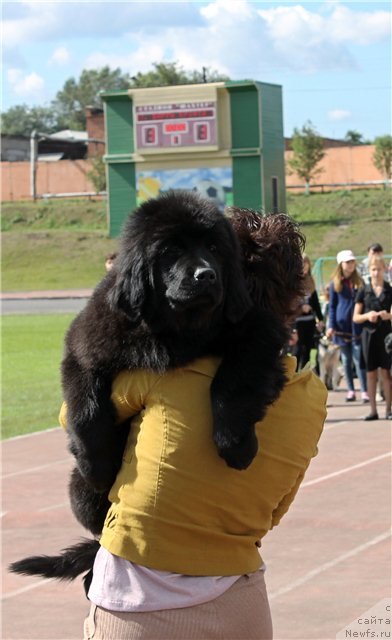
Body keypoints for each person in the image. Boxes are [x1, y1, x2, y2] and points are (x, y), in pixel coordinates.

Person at [72, 209, 327, 640]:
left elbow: (76, 419)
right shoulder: (312, 397)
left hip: (139, 605)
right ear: (293, 300)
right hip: (240, 602)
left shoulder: (161, 373)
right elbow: (275, 511)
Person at [326, 249, 368, 402]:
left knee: (359, 360)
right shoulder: (335, 283)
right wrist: (331, 326)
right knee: (346, 360)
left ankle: (364, 390)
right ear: (341, 264)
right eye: (347, 262)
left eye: (352, 261)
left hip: (356, 327)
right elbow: (332, 306)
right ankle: (351, 390)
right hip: (341, 328)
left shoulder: (360, 282)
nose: (351, 264)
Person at [353, 255, 392, 420]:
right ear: (369, 271)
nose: (376, 273)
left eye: (379, 269)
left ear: (384, 270)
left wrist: (387, 315)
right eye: (373, 269)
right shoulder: (364, 290)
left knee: (386, 373)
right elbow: (355, 317)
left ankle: (388, 409)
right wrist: (368, 315)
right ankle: (373, 410)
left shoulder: (389, 289)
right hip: (368, 336)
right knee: (370, 373)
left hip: (385, 337)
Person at [293, 254, 324, 371]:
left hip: (309, 321)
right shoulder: (293, 282)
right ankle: (294, 374)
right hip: (297, 323)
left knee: (308, 349)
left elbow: (316, 304)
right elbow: (289, 304)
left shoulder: (310, 282)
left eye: (306, 263)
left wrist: (320, 319)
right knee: (298, 349)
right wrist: (301, 308)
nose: (304, 266)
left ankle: (303, 375)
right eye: (301, 263)